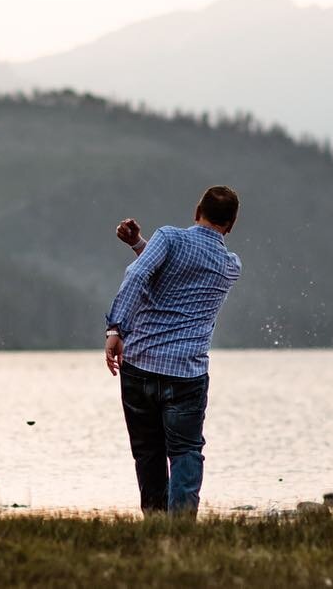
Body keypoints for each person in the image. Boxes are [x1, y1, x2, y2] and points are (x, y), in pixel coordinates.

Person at [105, 186, 242, 517]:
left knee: (147, 452)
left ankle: (154, 523)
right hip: (187, 374)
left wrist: (115, 329)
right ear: (232, 223)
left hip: (140, 364)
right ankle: (180, 527)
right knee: (186, 451)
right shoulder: (230, 265)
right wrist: (141, 245)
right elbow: (181, 272)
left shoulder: (168, 238)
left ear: (197, 211)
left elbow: (142, 273)